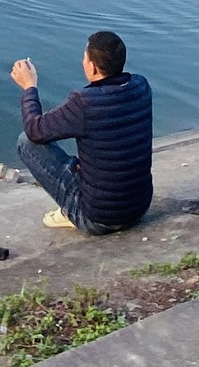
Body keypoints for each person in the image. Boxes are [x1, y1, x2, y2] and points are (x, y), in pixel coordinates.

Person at [10, 30, 153, 235]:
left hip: (98, 218)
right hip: (138, 208)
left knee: (26, 142)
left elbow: (35, 130)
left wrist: (29, 87)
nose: (82, 61)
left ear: (93, 67)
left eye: (85, 57)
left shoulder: (84, 102)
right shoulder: (141, 86)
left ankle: (71, 211)